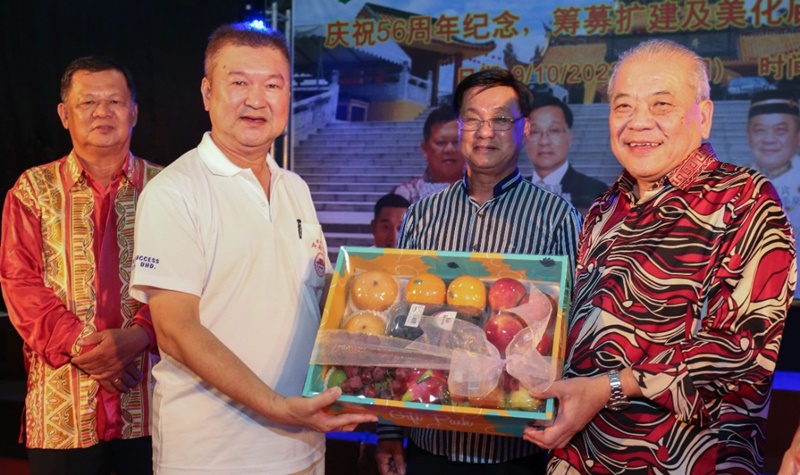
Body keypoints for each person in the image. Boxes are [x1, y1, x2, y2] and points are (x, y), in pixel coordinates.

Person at [523, 39, 796, 474]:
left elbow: (741, 352)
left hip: (684, 460)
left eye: (661, 104)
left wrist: (610, 387)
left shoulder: (744, 198)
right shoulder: (603, 208)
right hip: (577, 456)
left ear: (703, 116)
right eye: (623, 106)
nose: (638, 122)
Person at [128, 23, 375, 474]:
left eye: (272, 85)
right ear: (207, 93)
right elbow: (176, 330)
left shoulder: (294, 187)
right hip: (213, 455)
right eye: (239, 82)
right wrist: (277, 406)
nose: (256, 100)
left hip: (304, 443)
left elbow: (315, 298)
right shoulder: (175, 192)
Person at [375, 68, 583, 475]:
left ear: (523, 128)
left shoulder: (557, 216)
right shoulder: (423, 215)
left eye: (501, 119)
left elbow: (572, 326)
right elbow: (400, 323)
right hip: (430, 440)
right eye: (473, 119)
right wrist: (388, 430)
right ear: (459, 127)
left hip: (517, 447)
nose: (486, 131)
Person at [0, 56, 161, 474]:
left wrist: (141, 335)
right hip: (62, 409)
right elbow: (19, 283)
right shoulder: (32, 190)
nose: (102, 111)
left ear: (134, 112)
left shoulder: (168, 189)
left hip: (151, 401)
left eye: (114, 101)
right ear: (64, 114)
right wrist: (89, 349)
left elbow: (190, 282)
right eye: (88, 102)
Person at [746, 89, 800, 300]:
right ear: (748, 135)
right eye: (759, 130)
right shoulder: (731, 184)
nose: (769, 140)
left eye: (780, 131)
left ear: (798, 135)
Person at [525, 93, 608, 213]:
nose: (544, 141)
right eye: (535, 132)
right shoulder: (513, 192)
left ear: (569, 137)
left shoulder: (595, 192)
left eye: (554, 130)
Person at [392, 105, 465, 203]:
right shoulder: (405, 195)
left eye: (456, 142)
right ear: (425, 149)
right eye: (441, 143)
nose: (450, 149)